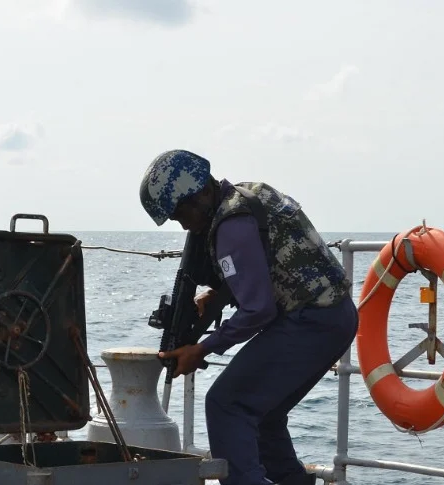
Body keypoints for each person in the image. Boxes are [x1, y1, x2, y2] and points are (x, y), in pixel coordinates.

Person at [140, 149, 358, 485]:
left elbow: (259, 309)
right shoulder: (249, 194)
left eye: (179, 213)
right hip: (336, 315)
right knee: (264, 415)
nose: (181, 223)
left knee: (226, 405)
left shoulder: (229, 227)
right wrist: (223, 292)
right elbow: (266, 263)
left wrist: (203, 348)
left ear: (197, 194)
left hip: (311, 322)